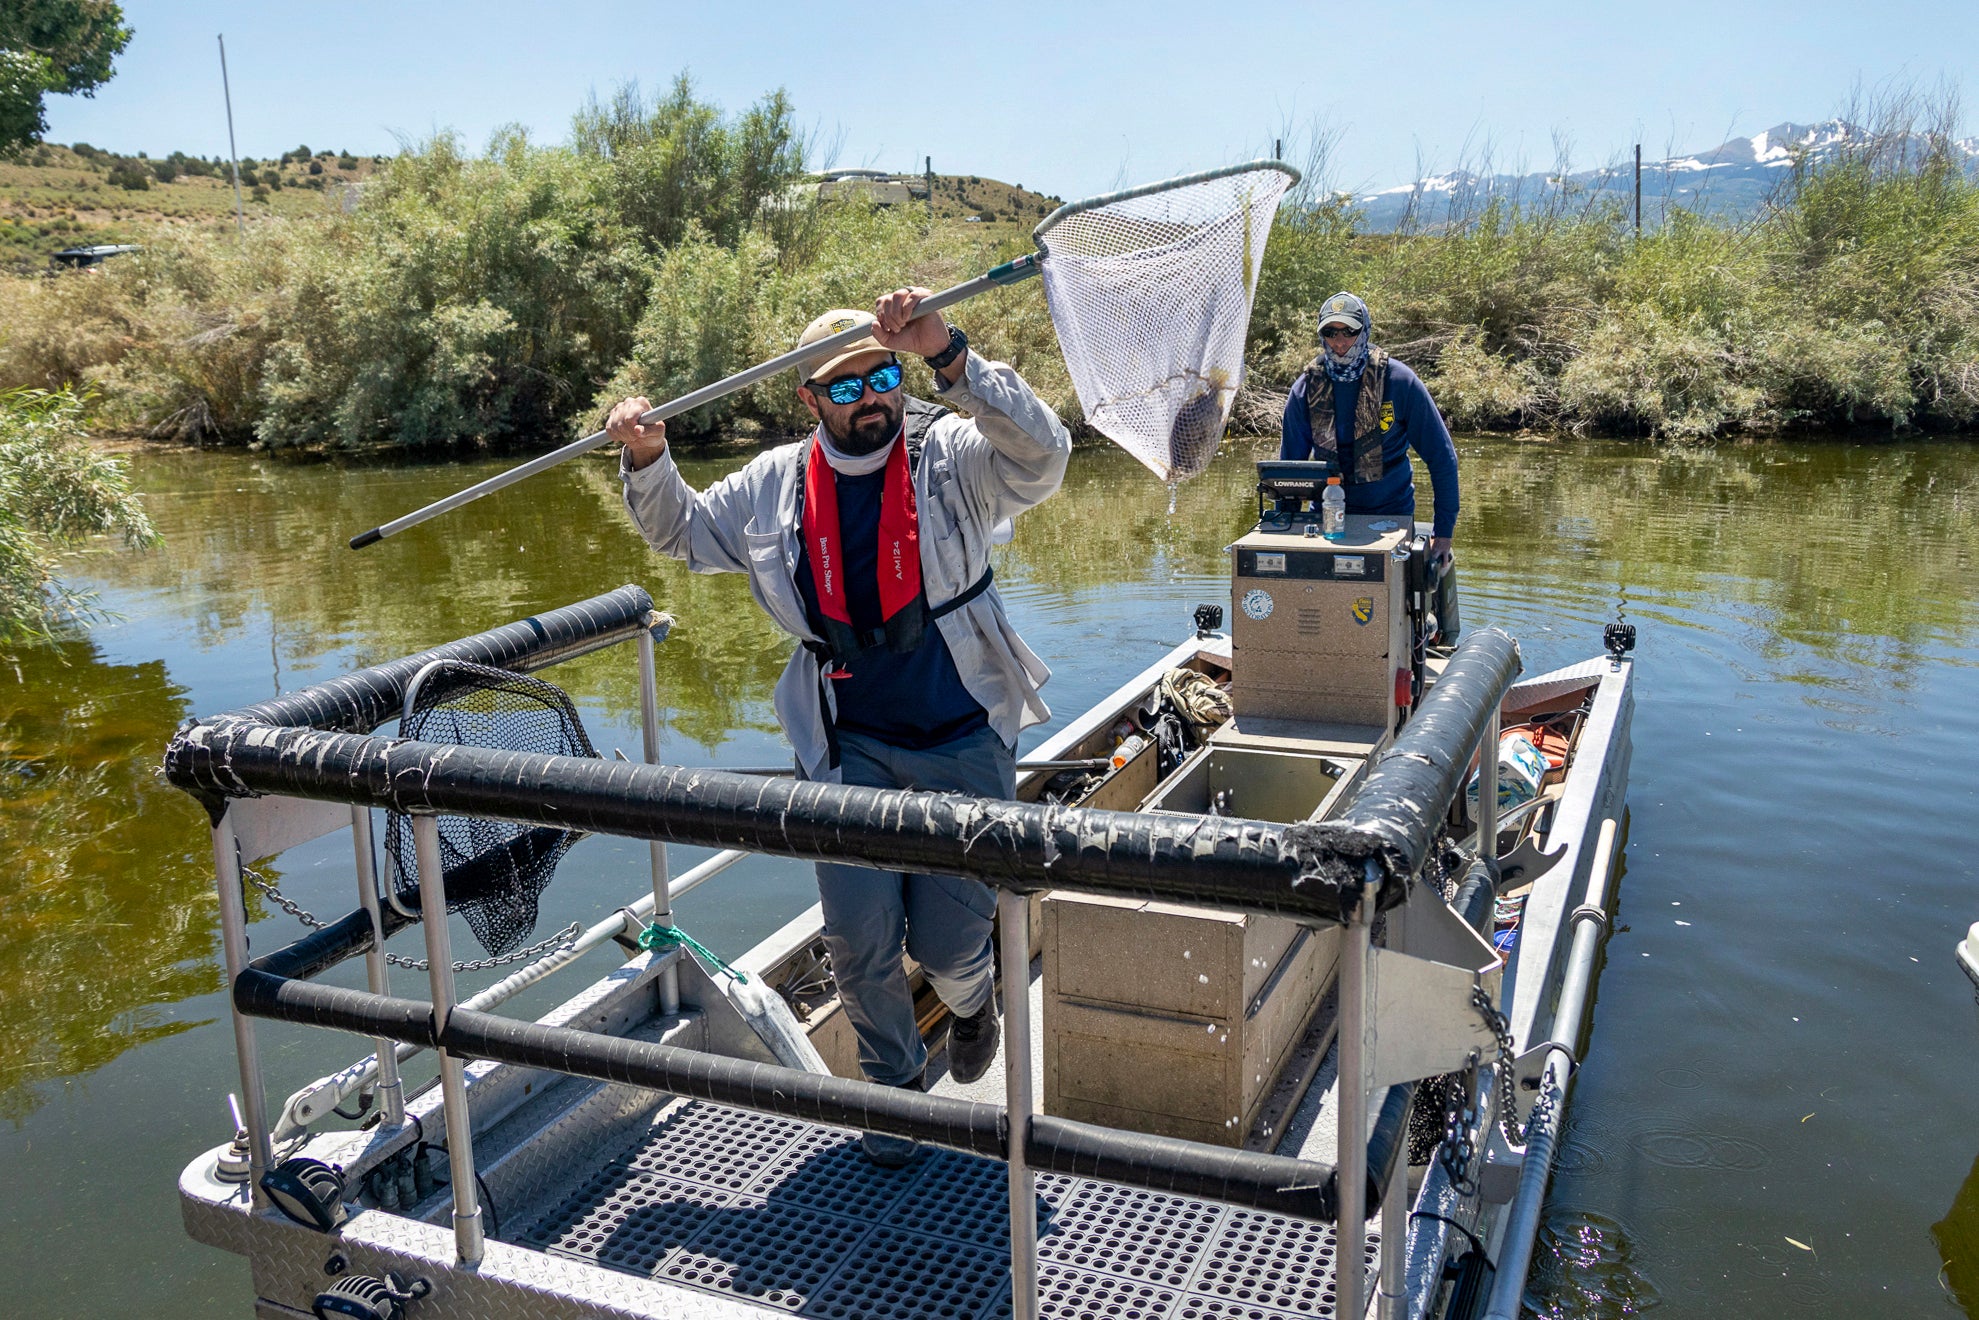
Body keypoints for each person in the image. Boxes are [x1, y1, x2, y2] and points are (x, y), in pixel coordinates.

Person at [605, 288, 1071, 1166]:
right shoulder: (772, 484)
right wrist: (647, 455)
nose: (872, 399)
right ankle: (896, 1097)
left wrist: (953, 358)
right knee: (857, 941)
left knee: (946, 943)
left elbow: (1044, 456)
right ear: (808, 399)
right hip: (844, 745)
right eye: (845, 387)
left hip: (963, 736)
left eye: (883, 376)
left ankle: (972, 1003)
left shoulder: (952, 454)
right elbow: (680, 532)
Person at [1280, 291, 1461, 639]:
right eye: (1331, 332)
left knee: (1390, 620)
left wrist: (1444, 534)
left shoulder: (1400, 382)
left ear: (1364, 331)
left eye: (1348, 331)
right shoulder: (1306, 388)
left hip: (1390, 513)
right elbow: (1290, 471)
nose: (1340, 341)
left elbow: (1442, 457)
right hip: (1328, 519)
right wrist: (1283, 525)